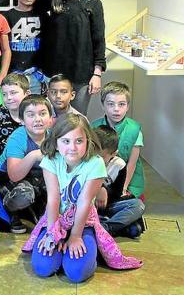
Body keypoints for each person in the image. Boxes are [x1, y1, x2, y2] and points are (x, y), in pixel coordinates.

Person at [24, 114, 142, 283]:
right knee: (43, 268)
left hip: (83, 223)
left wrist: (75, 236)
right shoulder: (51, 160)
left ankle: (93, 254)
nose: (72, 147)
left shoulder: (95, 163)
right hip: (55, 220)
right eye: (65, 141)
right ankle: (63, 253)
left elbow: (84, 202)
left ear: (88, 142)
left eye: (79, 141)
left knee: (77, 272)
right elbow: (53, 199)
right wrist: (52, 232)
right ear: (56, 143)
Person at [41, 0, 106, 115]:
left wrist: (97, 74)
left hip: (81, 74)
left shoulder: (93, 4)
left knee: (76, 122)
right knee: (51, 121)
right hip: (53, 74)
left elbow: (99, 41)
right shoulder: (51, 0)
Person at [0, 95, 53, 234]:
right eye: (31, 115)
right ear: (22, 120)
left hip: (35, 177)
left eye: (43, 114)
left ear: (51, 119)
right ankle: (9, 209)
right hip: (7, 179)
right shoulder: (18, 137)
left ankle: (36, 207)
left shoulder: (53, 136)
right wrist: (34, 155)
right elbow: (14, 175)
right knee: (24, 195)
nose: (38, 119)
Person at [91, 82, 145, 199]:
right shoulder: (94, 127)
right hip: (101, 173)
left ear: (128, 106)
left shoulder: (134, 129)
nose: (116, 109)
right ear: (103, 105)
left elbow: (132, 163)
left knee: (129, 203)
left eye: (121, 104)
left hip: (127, 177)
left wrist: (124, 187)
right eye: (111, 104)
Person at [93, 125, 145, 238]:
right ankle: (114, 227)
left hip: (107, 206)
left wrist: (105, 191)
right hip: (87, 206)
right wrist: (98, 189)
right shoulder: (85, 161)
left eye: (100, 156)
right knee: (134, 229)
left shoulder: (119, 165)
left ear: (113, 154)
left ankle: (105, 228)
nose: (95, 159)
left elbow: (117, 193)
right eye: (93, 154)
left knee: (138, 205)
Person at [2, 0, 47, 95]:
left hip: (36, 76)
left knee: (34, 109)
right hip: (12, 75)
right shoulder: (7, 16)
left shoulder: (43, 16)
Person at [0, 73, 30, 171]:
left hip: (28, 164)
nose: (8, 98)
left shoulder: (34, 115)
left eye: (13, 93)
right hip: (2, 163)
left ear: (27, 94)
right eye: (4, 94)